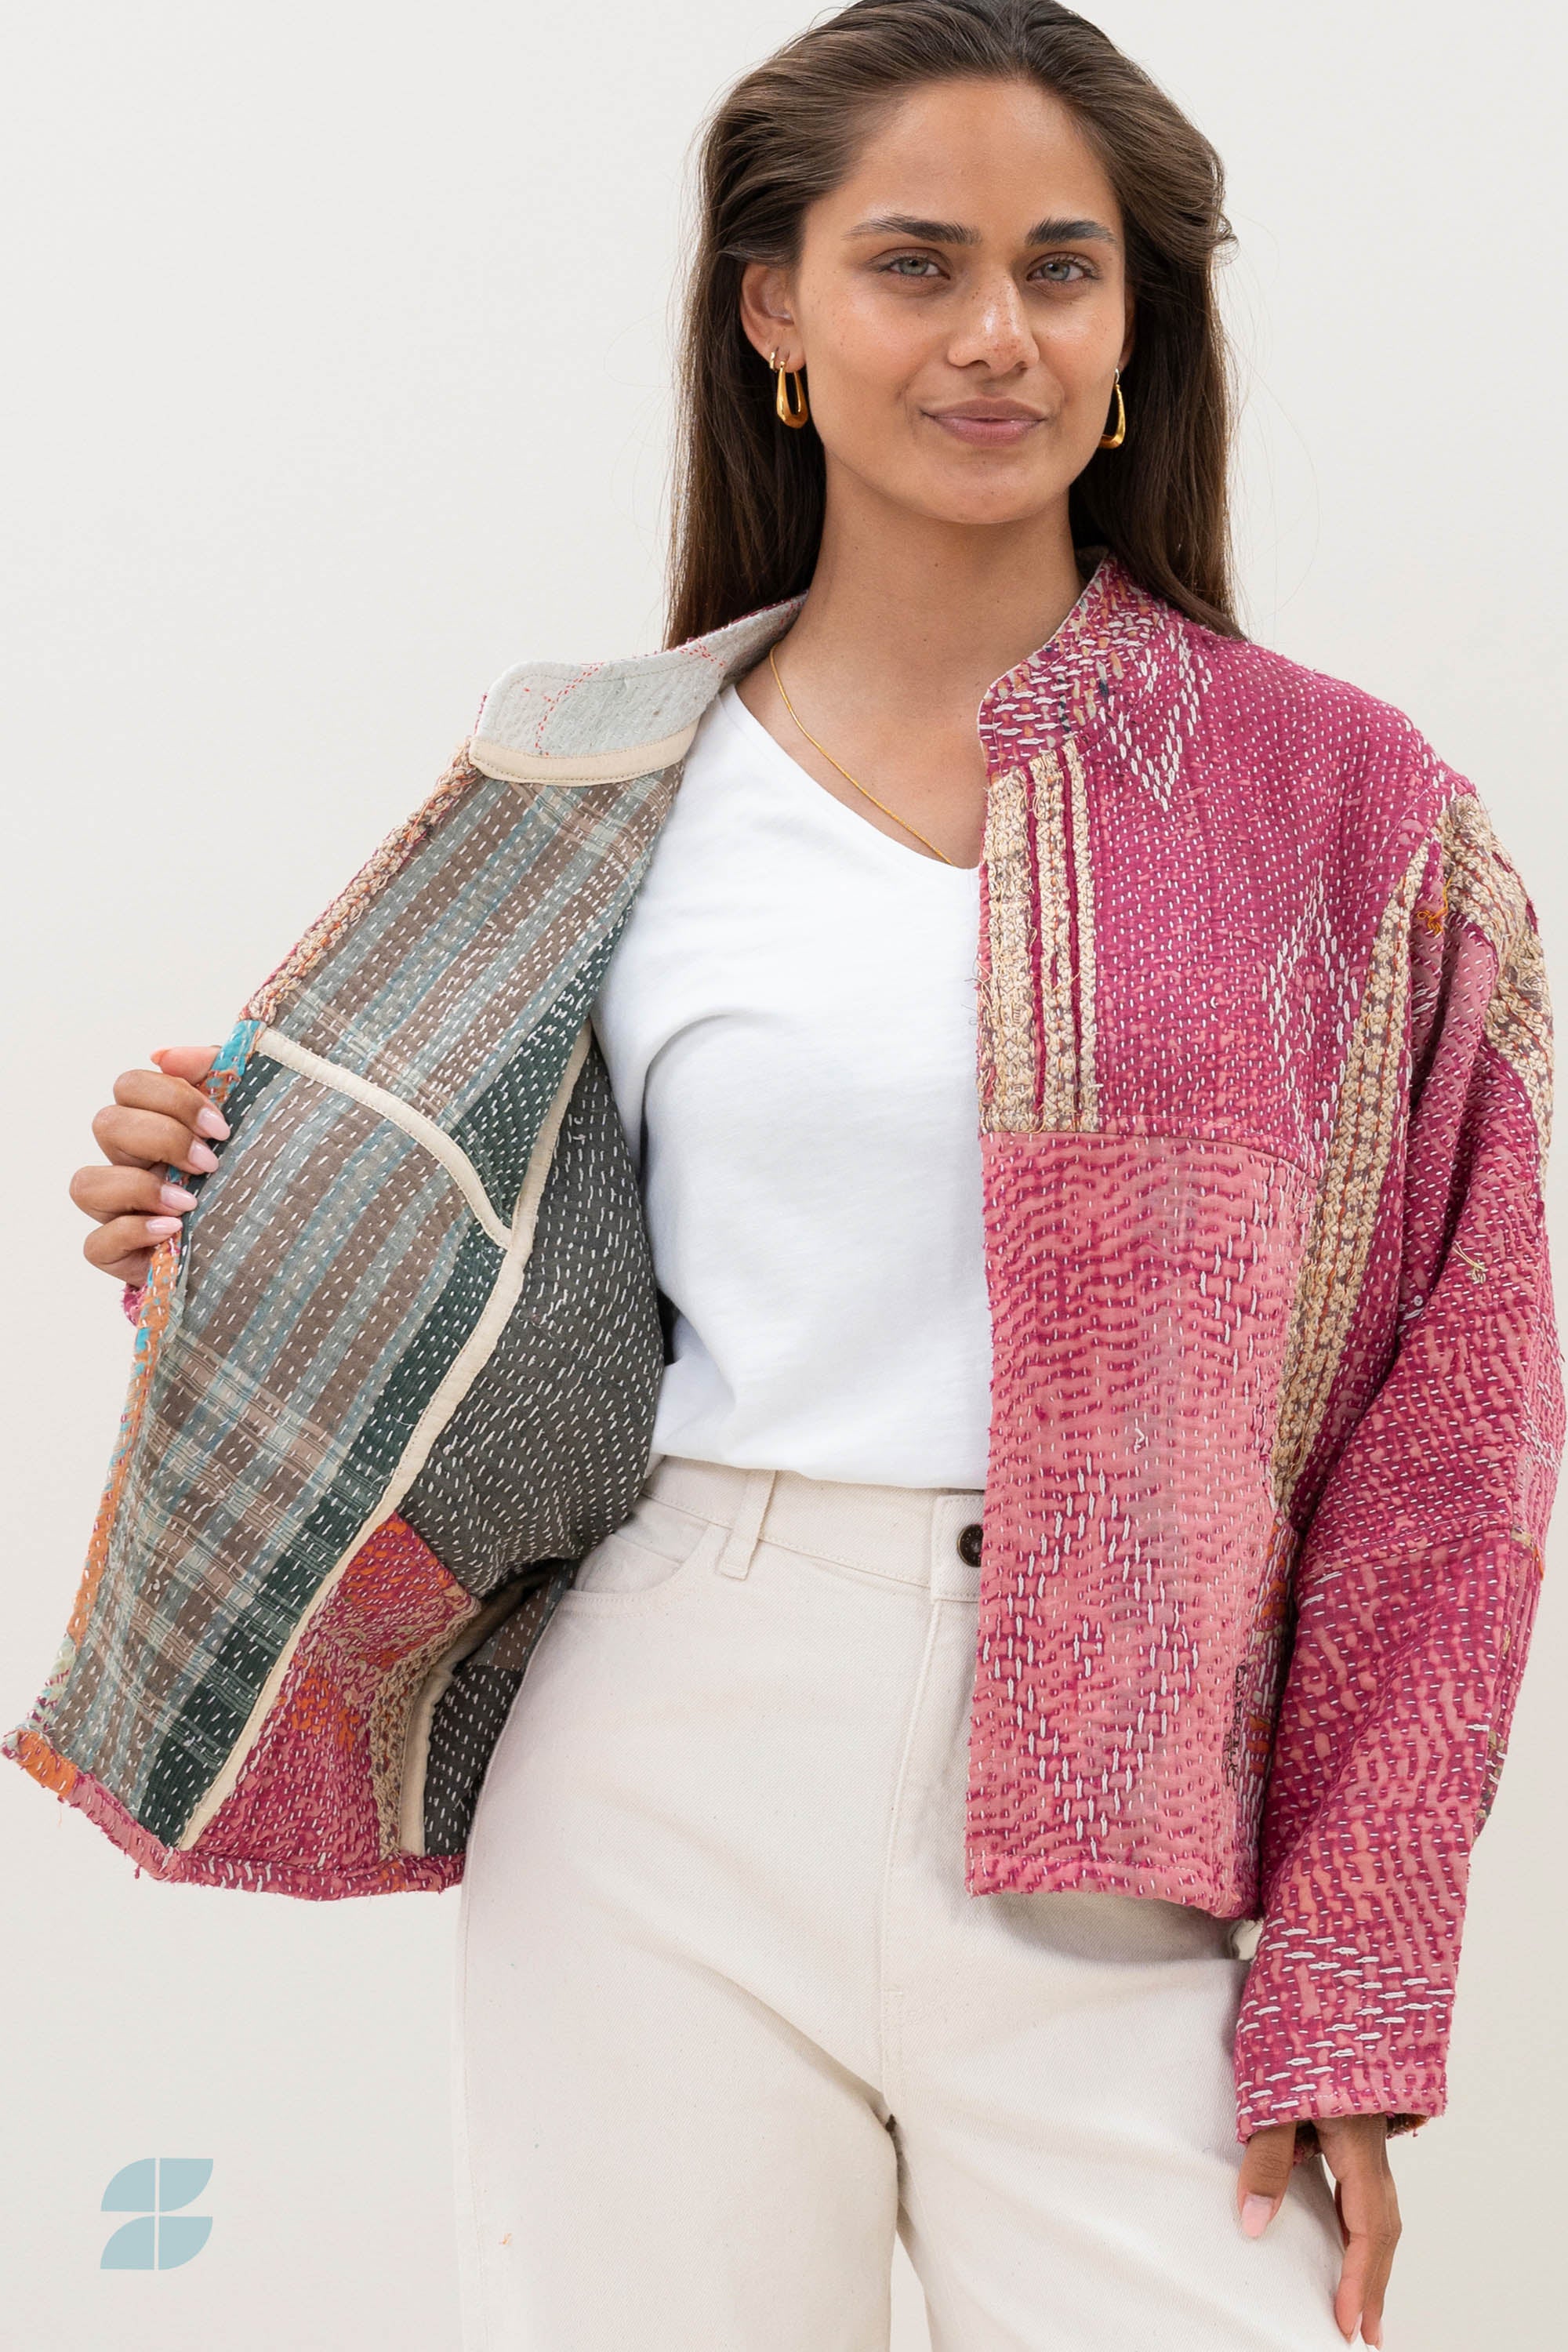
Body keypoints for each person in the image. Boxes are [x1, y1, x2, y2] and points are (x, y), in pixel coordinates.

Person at [43, 4, 1561, 2348]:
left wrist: (1353, 1981)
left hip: (1134, 1818)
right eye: (914, 263)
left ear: (1136, 324)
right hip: (666, 1746)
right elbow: (444, 1284)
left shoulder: (1343, 813)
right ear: (775, 307)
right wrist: (207, 1206)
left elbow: (1453, 1443)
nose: (994, 334)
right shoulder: (585, 781)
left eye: (1061, 269)